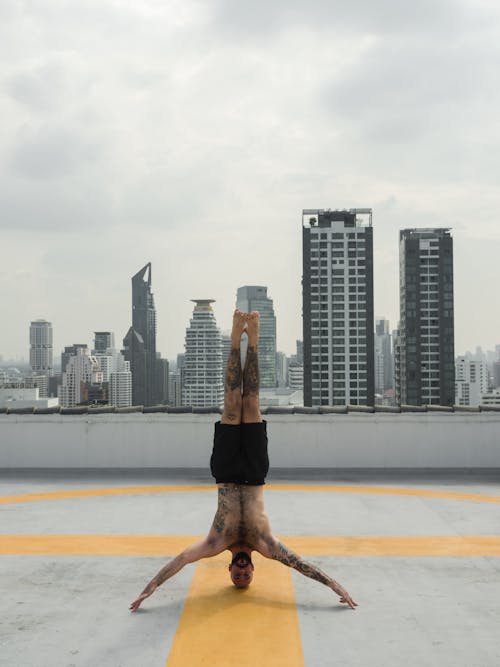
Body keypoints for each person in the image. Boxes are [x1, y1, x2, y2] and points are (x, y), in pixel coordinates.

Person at [129, 310, 357, 611]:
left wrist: (151, 588)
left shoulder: (215, 543)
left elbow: (182, 559)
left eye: (237, 574)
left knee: (232, 402)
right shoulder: (265, 545)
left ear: (229, 569)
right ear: (252, 570)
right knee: (251, 402)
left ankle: (236, 339)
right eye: (245, 574)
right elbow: (300, 564)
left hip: (225, 472)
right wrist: (335, 586)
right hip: (253, 473)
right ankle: (254, 342)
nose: (241, 571)